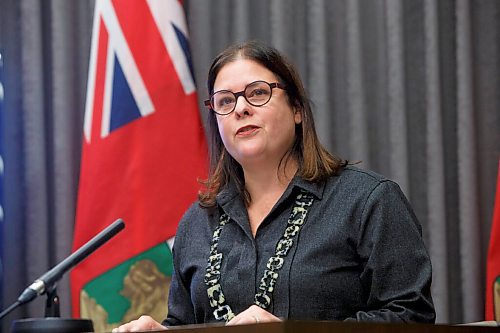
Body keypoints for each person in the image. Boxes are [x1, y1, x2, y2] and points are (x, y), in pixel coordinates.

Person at [113, 40, 435, 332]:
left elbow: (411, 316)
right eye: (225, 101)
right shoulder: (198, 221)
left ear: (296, 109)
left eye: (257, 93)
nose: (241, 108)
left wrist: (290, 332)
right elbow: (186, 323)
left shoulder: (368, 201)